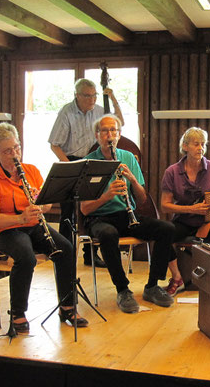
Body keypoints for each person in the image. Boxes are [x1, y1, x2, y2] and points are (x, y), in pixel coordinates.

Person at [0, 122, 87, 334]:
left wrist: (40, 205)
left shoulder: (31, 171)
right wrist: (20, 218)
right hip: (6, 231)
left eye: (17, 147)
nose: (15, 154)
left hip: (34, 225)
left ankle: (67, 307)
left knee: (66, 249)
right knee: (26, 257)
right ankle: (18, 313)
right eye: (8, 151)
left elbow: (47, 203)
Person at [80, 114, 175, 313]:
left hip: (127, 214)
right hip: (99, 217)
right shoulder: (88, 162)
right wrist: (107, 196)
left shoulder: (128, 157)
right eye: (104, 131)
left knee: (166, 229)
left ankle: (152, 286)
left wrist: (132, 179)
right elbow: (85, 209)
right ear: (97, 135)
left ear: (119, 134)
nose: (109, 135)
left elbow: (141, 199)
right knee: (108, 234)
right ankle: (123, 290)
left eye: (113, 130)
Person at [48, 78, 123, 267]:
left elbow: (119, 122)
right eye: (88, 95)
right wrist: (69, 167)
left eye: (94, 95)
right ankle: (64, 252)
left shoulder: (99, 110)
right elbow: (54, 144)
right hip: (71, 161)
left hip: (94, 160)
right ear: (77, 95)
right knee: (68, 211)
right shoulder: (66, 112)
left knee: (92, 207)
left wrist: (112, 99)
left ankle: (90, 254)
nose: (92, 99)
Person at [160, 127, 210, 296]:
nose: (200, 148)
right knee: (163, 235)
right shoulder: (172, 171)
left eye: (203, 144)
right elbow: (165, 205)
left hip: (206, 221)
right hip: (183, 220)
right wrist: (191, 209)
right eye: (196, 144)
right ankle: (176, 277)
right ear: (185, 146)